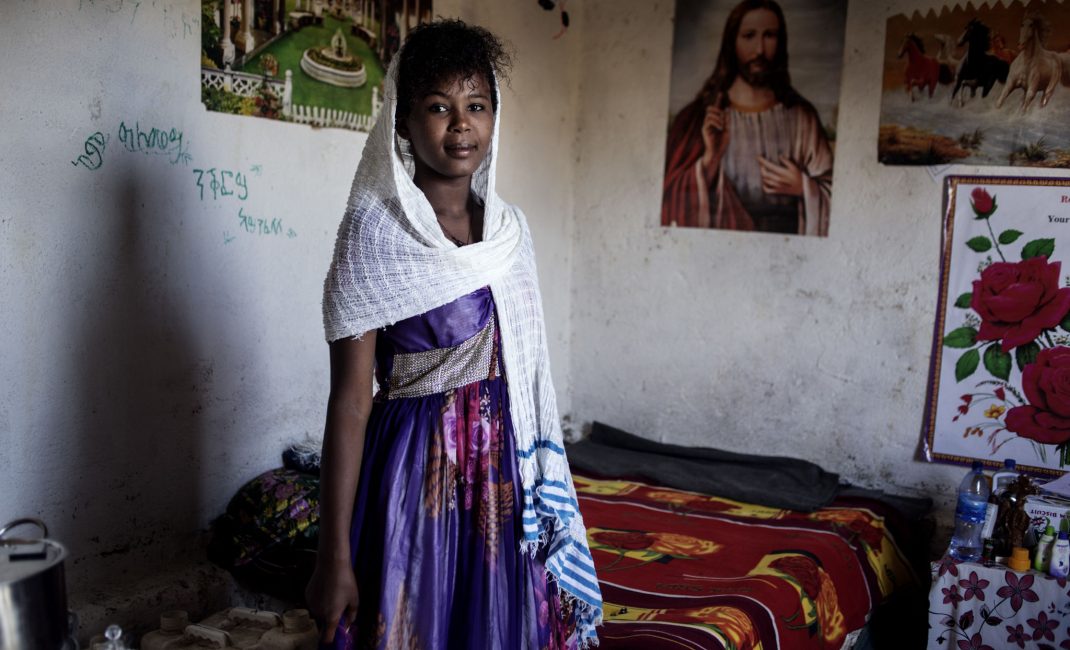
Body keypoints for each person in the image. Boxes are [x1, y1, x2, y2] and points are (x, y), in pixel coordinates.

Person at [308, 20, 602, 649]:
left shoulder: (508, 234)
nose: (460, 125)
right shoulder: (376, 233)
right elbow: (352, 400)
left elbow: (524, 372)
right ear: (404, 123)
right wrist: (332, 556)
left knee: (496, 624)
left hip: (504, 478)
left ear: (495, 118)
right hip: (416, 472)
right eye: (439, 107)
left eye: (477, 106)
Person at [661, 0, 833, 236]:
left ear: (780, 43)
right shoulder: (699, 119)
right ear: (732, 43)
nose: (760, 49)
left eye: (770, 35)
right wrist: (710, 159)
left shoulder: (802, 118)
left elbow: (836, 193)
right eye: (749, 35)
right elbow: (670, 198)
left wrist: (804, 187)